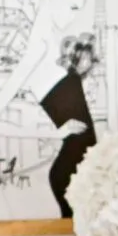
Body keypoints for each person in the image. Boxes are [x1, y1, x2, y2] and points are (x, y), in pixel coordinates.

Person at [39, 34, 100, 218]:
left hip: (67, 172)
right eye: (84, 58)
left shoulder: (72, 84)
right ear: (75, 59)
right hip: (67, 174)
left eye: (89, 59)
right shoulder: (71, 83)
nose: (88, 63)